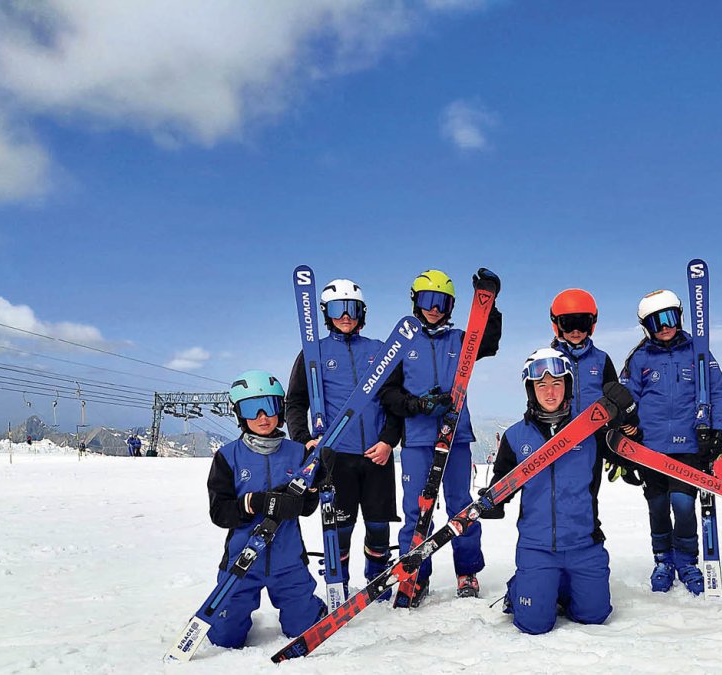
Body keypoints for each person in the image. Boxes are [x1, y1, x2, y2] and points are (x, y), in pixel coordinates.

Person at [481, 349, 637, 635]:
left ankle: (561, 587)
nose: (550, 393)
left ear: (568, 386)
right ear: (531, 389)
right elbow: (503, 486)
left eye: (557, 384)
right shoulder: (516, 436)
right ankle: (525, 587)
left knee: (595, 617)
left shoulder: (591, 431)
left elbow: (628, 457)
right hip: (537, 547)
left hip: (583, 545)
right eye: (541, 385)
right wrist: (491, 501)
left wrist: (630, 418)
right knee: (533, 625)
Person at [379, 268, 503, 606]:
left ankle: (467, 571)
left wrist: (488, 302)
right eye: (426, 300)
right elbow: (386, 394)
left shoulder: (459, 339)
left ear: (450, 306)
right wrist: (416, 404)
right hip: (418, 439)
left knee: (461, 505)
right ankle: (416, 575)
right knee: (416, 511)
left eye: (442, 302)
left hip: (456, 436)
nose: (434, 308)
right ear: (415, 301)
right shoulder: (403, 343)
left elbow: (488, 342)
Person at [284, 278, 404, 599]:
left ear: (362, 313)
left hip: (377, 454)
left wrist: (389, 440)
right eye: (339, 309)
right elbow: (295, 402)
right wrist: (304, 439)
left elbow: (395, 401)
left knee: (379, 525)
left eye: (352, 308)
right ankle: (340, 584)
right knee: (342, 526)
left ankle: (377, 578)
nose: (346, 316)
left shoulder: (379, 351)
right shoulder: (314, 353)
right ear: (326, 313)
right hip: (335, 457)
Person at [204, 370, 326, 649]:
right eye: (251, 408)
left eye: (270, 407)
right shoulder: (227, 457)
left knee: (302, 629)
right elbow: (219, 512)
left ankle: (309, 606)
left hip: (288, 561)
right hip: (242, 561)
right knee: (224, 639)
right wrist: (254, 502)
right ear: (239, 414)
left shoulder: (298, 453)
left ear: (280, 410)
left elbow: (306, 509)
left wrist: (315, 486)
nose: (262, 416)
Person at [619, 289, 722, 595]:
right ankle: (663, 559)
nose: (664, 326)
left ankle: (687, 560)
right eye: (655, 322)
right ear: (646, 327)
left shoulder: (699, 351)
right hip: (651, 447)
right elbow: (627, 401)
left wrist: (717, 430)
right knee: (657, 505)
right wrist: (627, 445)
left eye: (670, 318)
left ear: (680, 317)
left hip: (688, 444)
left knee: (682, 503)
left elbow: (716, 393)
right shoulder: (639, 358)